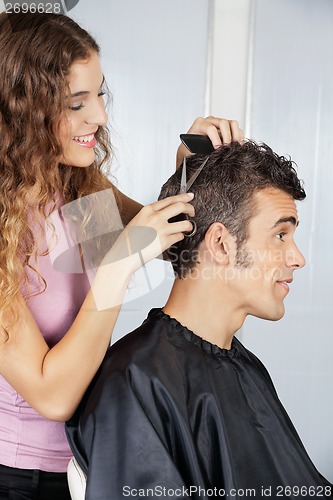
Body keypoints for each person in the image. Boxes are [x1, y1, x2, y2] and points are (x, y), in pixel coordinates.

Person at [0, 11, 243, 500]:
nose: (101, 117)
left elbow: (164, 231)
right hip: (14, 475)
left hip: (82, 460)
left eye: (100, 95)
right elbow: (53, 395)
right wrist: (118, 266)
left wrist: (190, 163)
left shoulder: (73, 186)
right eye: (77, 103)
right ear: (22, 111)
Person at [66, 140, 332, 499]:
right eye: (280, 235)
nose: (298, 258)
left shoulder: (243, 366)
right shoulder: (137, 381)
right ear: (221, 244)